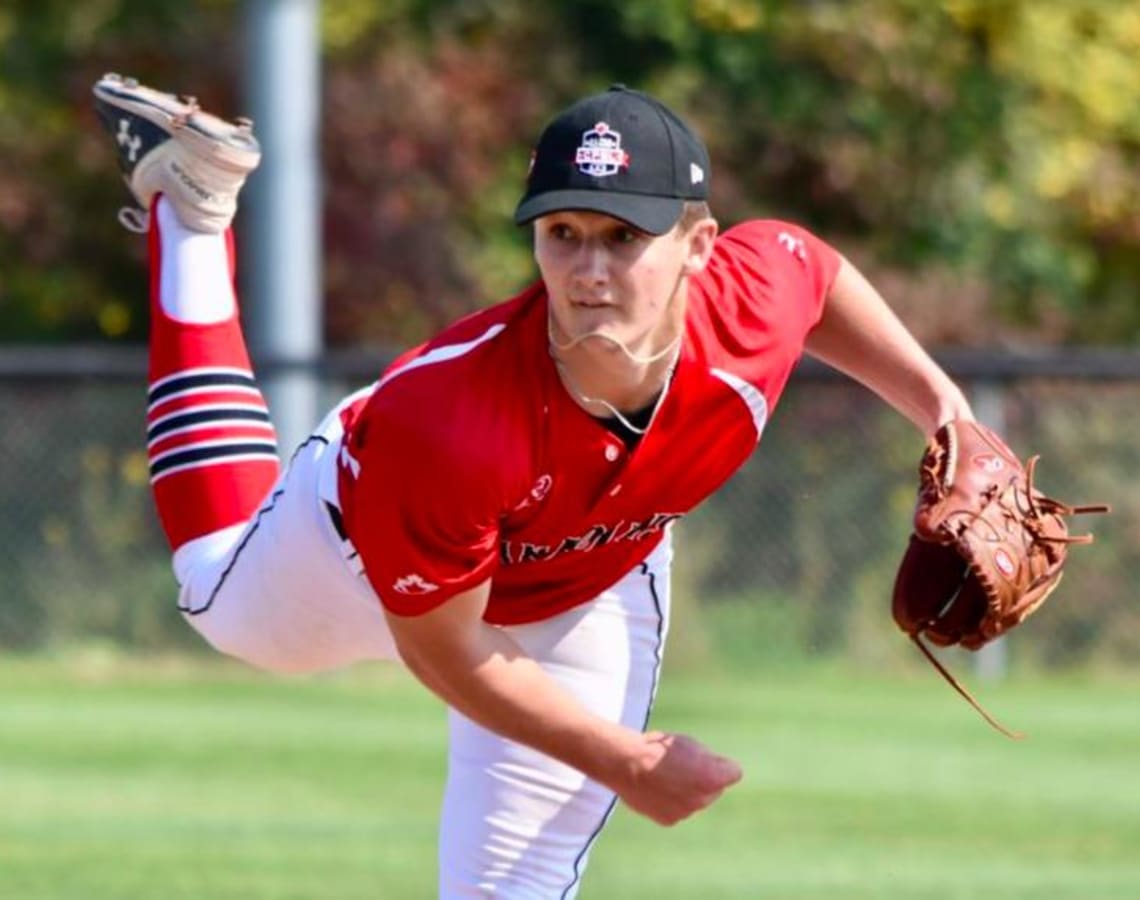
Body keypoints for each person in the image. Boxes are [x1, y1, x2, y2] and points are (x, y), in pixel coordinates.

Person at [93, 72, 975, 896]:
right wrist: (623, 761)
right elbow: (445, 650)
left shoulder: (748, 309)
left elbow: (812, 272)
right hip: (368, 544)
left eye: (625, 236)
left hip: (586, 585)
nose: (590, 270)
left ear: (699, 245)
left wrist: (949, 414)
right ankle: (195, 219)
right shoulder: (447, 426)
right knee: (217, 594)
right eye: (564, 234)